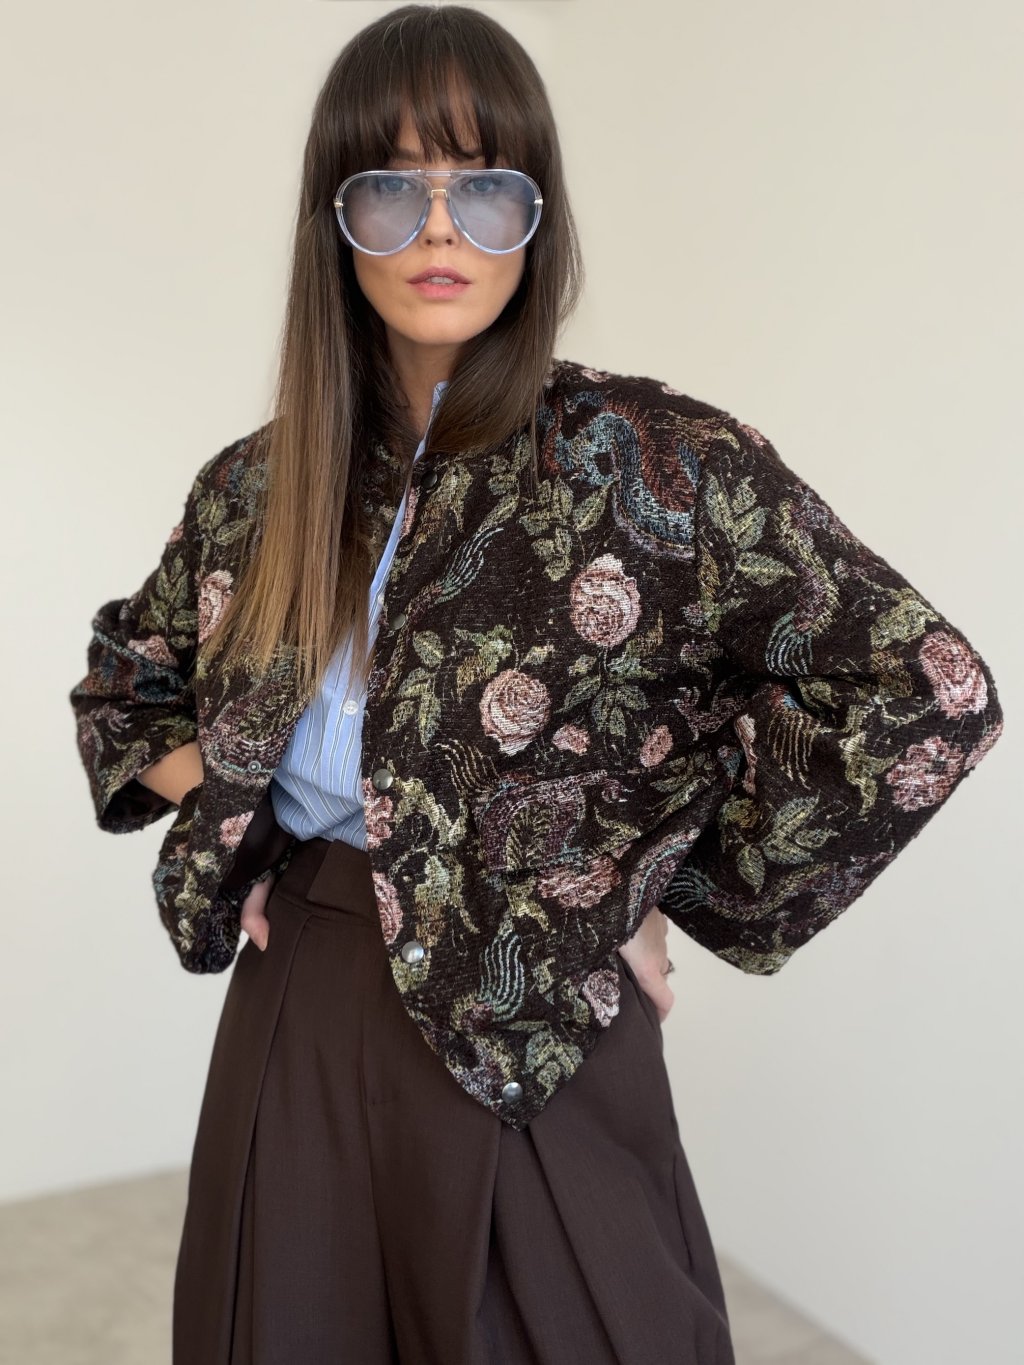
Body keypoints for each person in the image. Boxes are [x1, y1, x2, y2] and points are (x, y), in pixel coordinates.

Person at [68, 6, 1004, 1364]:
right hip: (303, 1002)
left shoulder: (659, 461)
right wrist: (233, 813)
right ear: (337, 220)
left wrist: (646, 883)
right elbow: (125, 684)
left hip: (538, 1022)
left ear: (537, 215)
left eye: (485, 187)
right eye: (392, 188)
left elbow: (928, 689)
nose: (439, 229)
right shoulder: (256, 485)